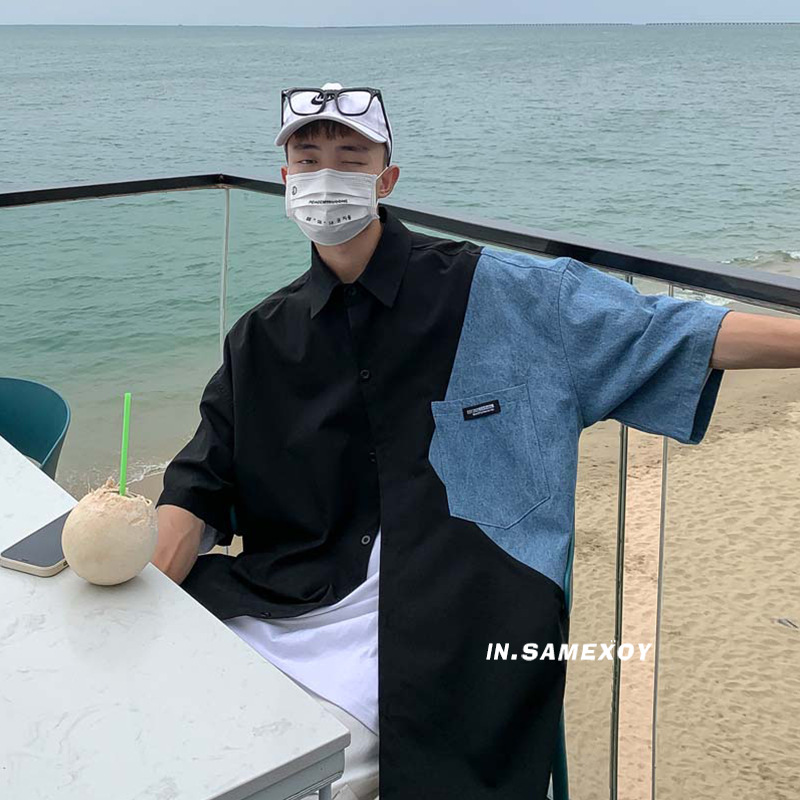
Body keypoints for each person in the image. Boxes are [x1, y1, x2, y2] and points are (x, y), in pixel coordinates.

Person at [152, 82, 800, 800]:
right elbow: (200, 481)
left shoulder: (499, 292)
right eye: (308, 160)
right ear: (285, 180)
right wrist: (138, 578)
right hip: (287, 602)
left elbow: (670, 330)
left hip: (466, 618)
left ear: (386, 179)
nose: (326, 177)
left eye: (350, 157)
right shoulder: (263, 337)